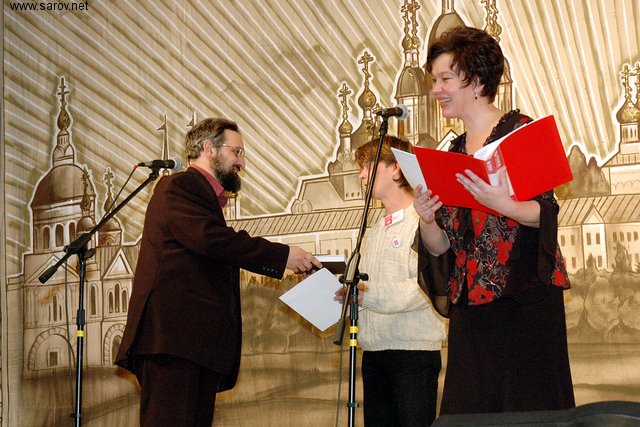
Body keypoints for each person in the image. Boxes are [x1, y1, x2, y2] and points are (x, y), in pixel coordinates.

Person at [115, 118, 322, 427]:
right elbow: (212, 240)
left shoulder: (201, 197)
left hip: (191, 346)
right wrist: (282, 256)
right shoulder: (179, 186)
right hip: (173, 342)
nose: (242, 163)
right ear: (208, 149)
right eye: (236, 152)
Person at [413, 25, 575, 416]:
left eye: (445, 79)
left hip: (522, 304)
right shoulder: (452, 152)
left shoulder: (520, 131)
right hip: (471, 312)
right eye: (434, 80)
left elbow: (545, 213)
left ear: (477, 81)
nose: (436, 89)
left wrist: (504, 204)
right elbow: (442, 246)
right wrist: (428, 220)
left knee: (527, 411)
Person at [336, 135, 447, 427]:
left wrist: (367, 296)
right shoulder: (372, 231)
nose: (361, 175)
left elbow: (423, 287)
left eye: (369, 166)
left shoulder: (423, 222)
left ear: (396, 168)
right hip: (373, 353)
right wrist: (347, 294)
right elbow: (366, 288)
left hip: (413, 354)